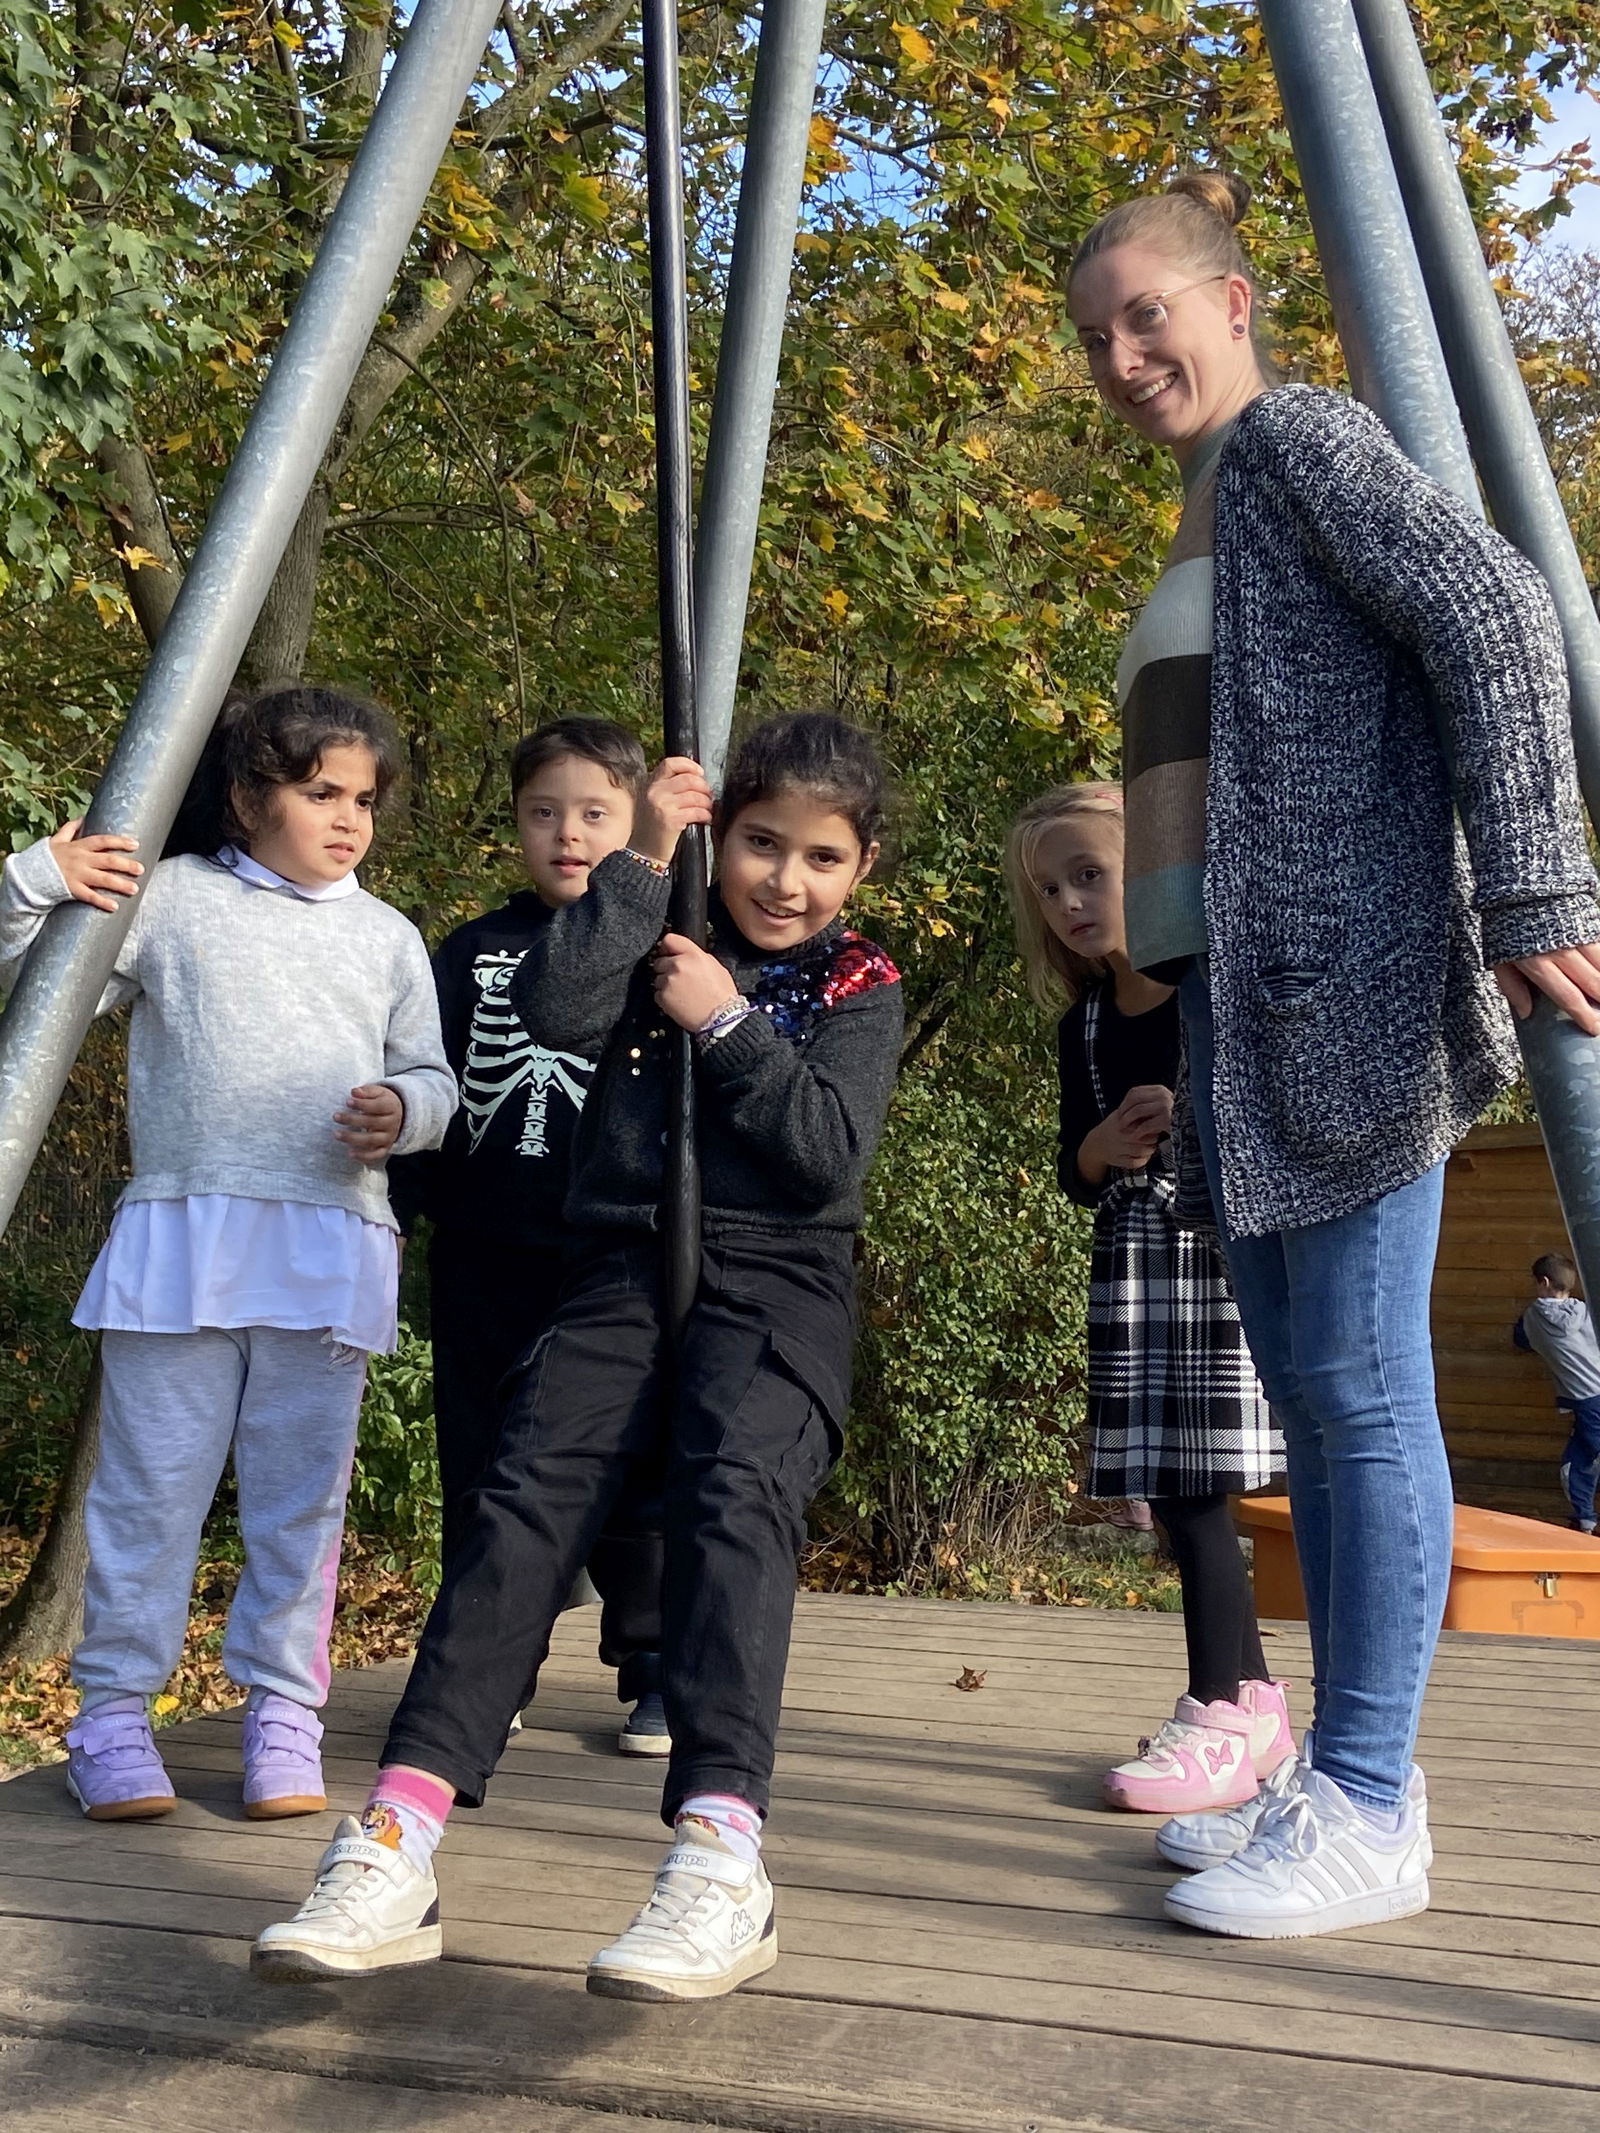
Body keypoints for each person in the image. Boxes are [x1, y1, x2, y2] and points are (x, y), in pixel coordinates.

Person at [1066, 170, 1600, 1938]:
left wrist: (1532, 877)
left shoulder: (1297, 444)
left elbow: (1498, 609)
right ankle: (1345, 1770)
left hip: (1349, 983)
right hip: (1244, 999)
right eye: (1097, 335)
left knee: (1362, 1388)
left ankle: (1371, 1795)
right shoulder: (1211, 509)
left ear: (1232, 303)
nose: (1124, 353)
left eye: (1150, 311)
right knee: (1307, 1388)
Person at [254, 711, 903, 2001]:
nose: (784, 880)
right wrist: (645, 853)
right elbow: (550, 1002)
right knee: (519, 1500)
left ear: (859, 870)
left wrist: (723, 1026)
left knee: (731, 1496)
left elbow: (827, 1156)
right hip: (617, 1257)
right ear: (719, 836)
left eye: (820, 859)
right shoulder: (656, 930)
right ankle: (400, 1831)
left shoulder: (857, 986)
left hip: (775, 1276)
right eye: (759, 844)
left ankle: (721, 1853)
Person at [0, 684, 455, 1824]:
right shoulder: (169, 900)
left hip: (329, 1245)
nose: (348, 818)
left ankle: (282, 1719)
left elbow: (442, 1082)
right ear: (250, 797)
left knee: (301, 1507)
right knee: (150, 1495)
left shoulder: (389, 936)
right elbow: (32, 999)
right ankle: (110, 1717)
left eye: (363, 799)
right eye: (318, 793)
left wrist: (406, 1109)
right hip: (184, 1242)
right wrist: (32, 884)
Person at [1006, 783, 1287, 1815]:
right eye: (1051, 887)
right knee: (1175, 1495)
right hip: (1130, 1271)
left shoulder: (1207, 993)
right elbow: (1071, 1167)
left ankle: (1228, 1704)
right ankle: (1247, 1701)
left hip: (1211, 1264)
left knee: (1197, 1490)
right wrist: (1100, 1145)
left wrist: (1191, 1116)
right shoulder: (1083, 1026)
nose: (1072, 902)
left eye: (1092, 874)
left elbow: (1262, 1126)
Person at [389, 718, 669, 1755]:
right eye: (542, 812)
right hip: (482, 1250)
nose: (566, 833)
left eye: (595, 813)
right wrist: (400, 1210)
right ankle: (494, 1667)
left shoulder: (656, 942)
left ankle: (655, 1663)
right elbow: (431, 1088)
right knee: (482, 1460)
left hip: (610, 1253)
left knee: (636, 1462)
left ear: (639, 823)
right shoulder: (467, 950)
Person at [1513, 1252, 1600, 1535]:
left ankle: (1585, 1520)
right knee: (1578, 1459)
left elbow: (1520, 1339)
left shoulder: (1534, 1318)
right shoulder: (1586, 1311)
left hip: (1588, 1402)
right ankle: (1584, 1520)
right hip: (1591, 1400)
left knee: (1583, 1460)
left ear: (1545, 1282)